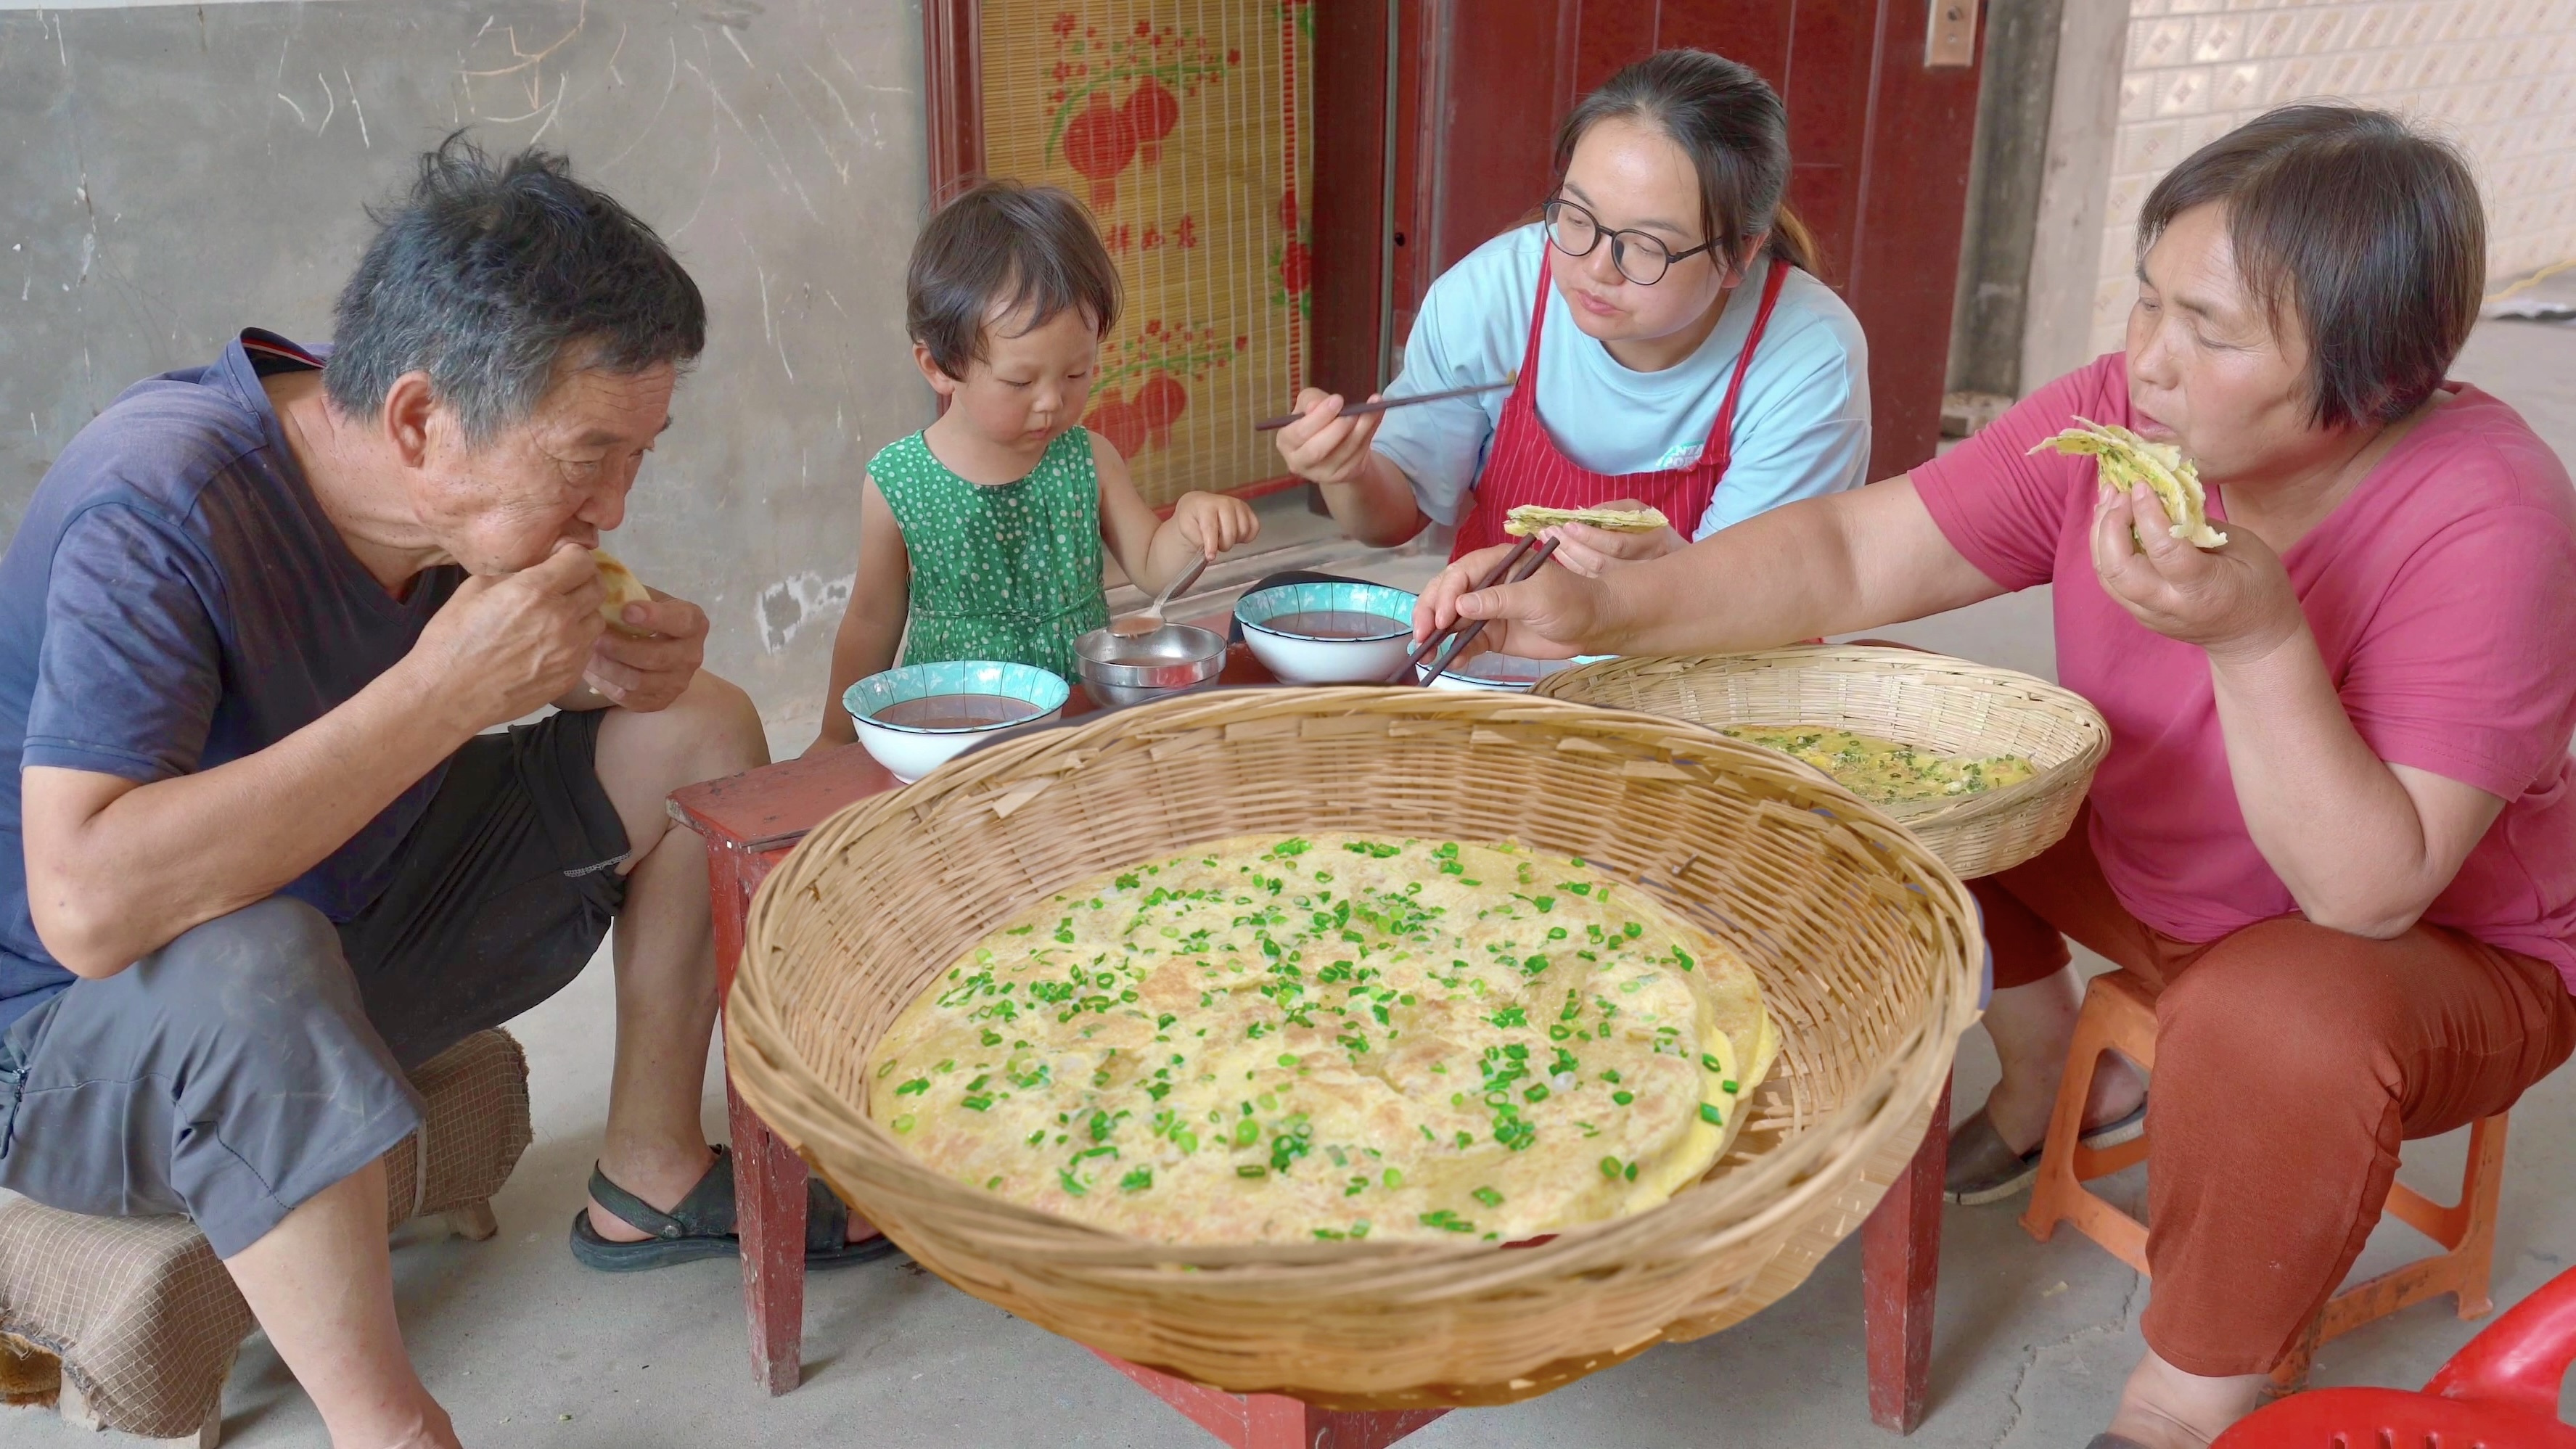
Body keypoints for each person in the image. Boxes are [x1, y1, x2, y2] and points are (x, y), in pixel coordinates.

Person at [1414, 104, 2576, 1449]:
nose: (2147, 361)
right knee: (1863, 724)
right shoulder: (2109, 418)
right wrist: (1598, 612)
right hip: (2170, 856)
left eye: (2212, 331)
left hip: (2425, 950)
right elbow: (1857, 554)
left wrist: (2257, 636)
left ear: (2378, 373)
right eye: (2146, 302)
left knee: (2280, 1018)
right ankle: (2047, 1079)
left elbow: (2369, 889)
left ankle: (2183, 1397)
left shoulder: (2485, 510)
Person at [0, 138, 882, 1449]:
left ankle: (647, 1172)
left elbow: (427, 707)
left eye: (639, 453)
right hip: (78, 1039)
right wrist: (447, 691)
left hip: (339, 915)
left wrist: (589, 672)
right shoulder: (159, 504)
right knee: (258, 967)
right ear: (419, 418)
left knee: (693, 729)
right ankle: (389, 1426)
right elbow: (84, 904)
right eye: (588, 456)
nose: (617, 503)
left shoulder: (432, 496)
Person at [1272, 47, 1869, 577]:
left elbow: (1764, 596)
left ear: (1740, 253)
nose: (1597, 268)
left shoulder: (1808, 355)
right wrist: (1346, 471)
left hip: (1713, 671)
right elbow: (1394, 518)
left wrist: (1670, 565)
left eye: (1646, 246)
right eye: (1577, 219)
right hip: (1501, 651)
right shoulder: (1494, 295)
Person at [805, 181, 1258, 749]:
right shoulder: (899, 482)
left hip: (1077, 716)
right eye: (1020, 381)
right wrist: (833, 738)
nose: (1052, 401)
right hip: (958, 726)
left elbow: (1152, 564)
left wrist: (1192, 522)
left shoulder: (1087, 459)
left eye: (1077, 374)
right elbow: (871, 621)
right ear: (939, 365)